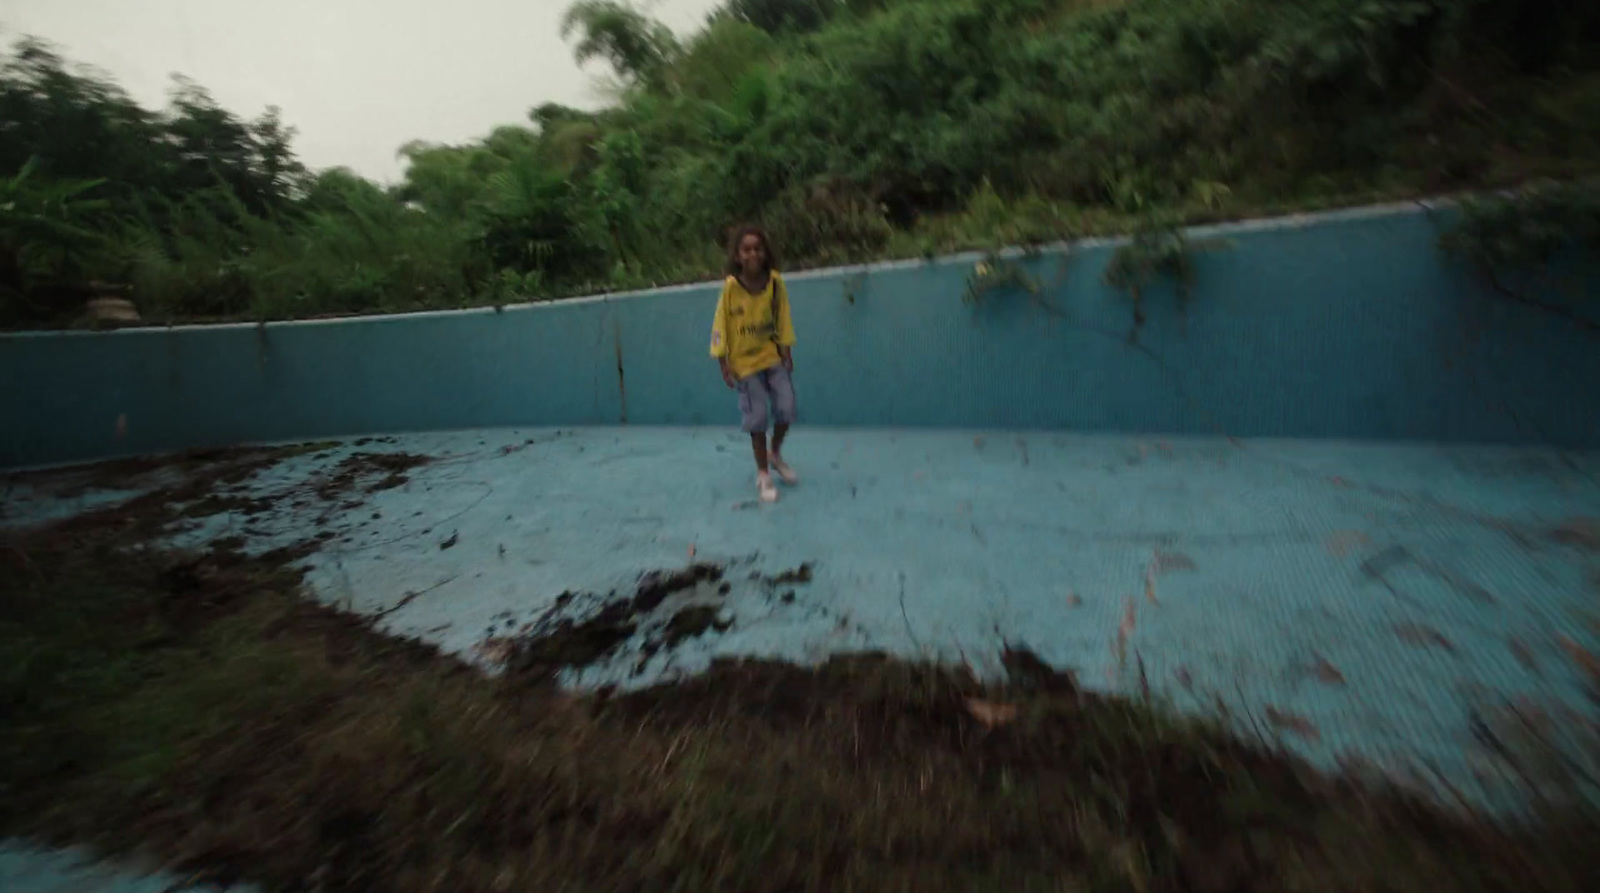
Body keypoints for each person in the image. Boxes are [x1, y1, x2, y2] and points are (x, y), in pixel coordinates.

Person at [709, 225, 798, 503]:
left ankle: (774, 454)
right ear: (738, 256)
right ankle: (763, 474)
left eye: (757, 248)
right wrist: (723, 361)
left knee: (787, 407)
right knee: (757, 417)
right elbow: (720, 325)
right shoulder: (731, 289)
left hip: (771, 357)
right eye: (746, 249)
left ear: (765, 252)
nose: (753, 254)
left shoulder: (775, 283)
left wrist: (786, 350)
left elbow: (783, 317)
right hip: (744, 364)